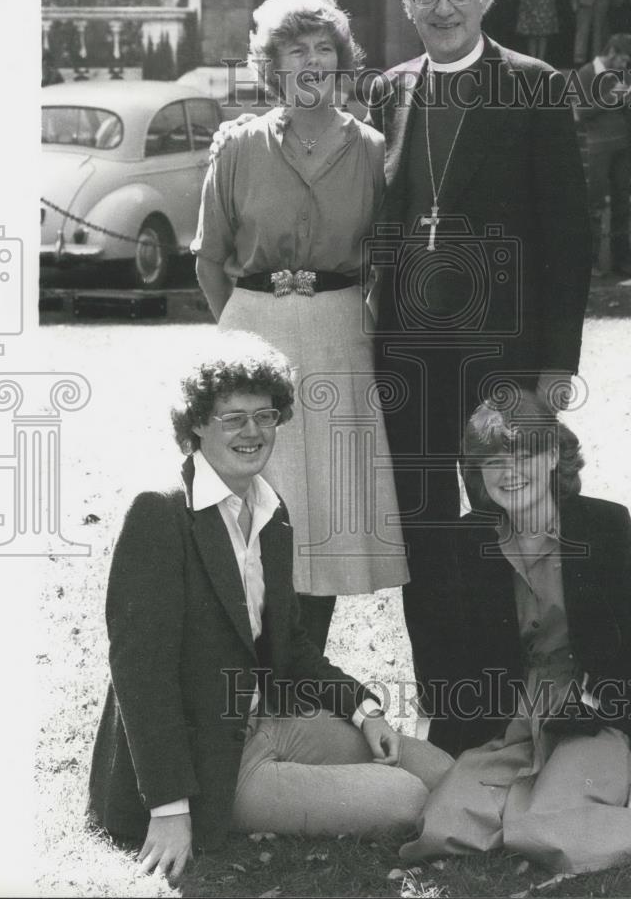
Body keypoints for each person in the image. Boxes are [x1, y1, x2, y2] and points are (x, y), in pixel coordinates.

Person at [87, 331, 453, 879]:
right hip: (210, 762)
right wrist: (168, 809)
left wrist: (363, 709)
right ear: (195, 426)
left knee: (437, 767)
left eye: (266, 415)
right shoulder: (159, 513)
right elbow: (141, 675)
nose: (253, 432)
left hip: (266, 721)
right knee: (404, 798)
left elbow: (292, 646)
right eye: (233, 418)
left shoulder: (270, 507)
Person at [367, 0, 590, 712]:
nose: (444, 6)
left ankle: (527, 702)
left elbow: (569, 234)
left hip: (505, 357)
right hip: (409, 364)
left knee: (516, 524)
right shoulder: (389, 90)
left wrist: (557, 361)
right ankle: (450, 710)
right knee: (424, 538)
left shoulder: (537, 85)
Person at [398, 392, 631, 873]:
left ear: (554, 454)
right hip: (511, 725)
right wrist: (441, 747)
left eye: (524, 454)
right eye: (492, 459)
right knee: (443, 827)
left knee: (554, 835)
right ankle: (563, 808)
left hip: (594, 716)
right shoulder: (464, 539)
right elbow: (444, 659)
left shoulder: (605, 526)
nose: (508, 471)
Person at [191, 0, 409, 654]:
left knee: (327, 511)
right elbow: (209, 261)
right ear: (272, 66)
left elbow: (387, 260)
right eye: (295, 51)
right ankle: (246, 670)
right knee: (250, 499)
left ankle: (305, 672)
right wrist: (242, 334)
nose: (312, 62)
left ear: (342, 65)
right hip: (255, 335)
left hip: (341, 338)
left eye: (324, 49)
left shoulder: (375, 151)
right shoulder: (238, 147)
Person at [575, 33, 631, 277]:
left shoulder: (625, 75)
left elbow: (627, 111)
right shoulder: (586, 73)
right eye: (622, 59)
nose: (625, 65)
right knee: (595, 205)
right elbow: (581, 111)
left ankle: (622, 260)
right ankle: (591, 262)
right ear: (611, 52)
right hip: (598, 146)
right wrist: (612, 98)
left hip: (622, 145)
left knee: (623, 203)